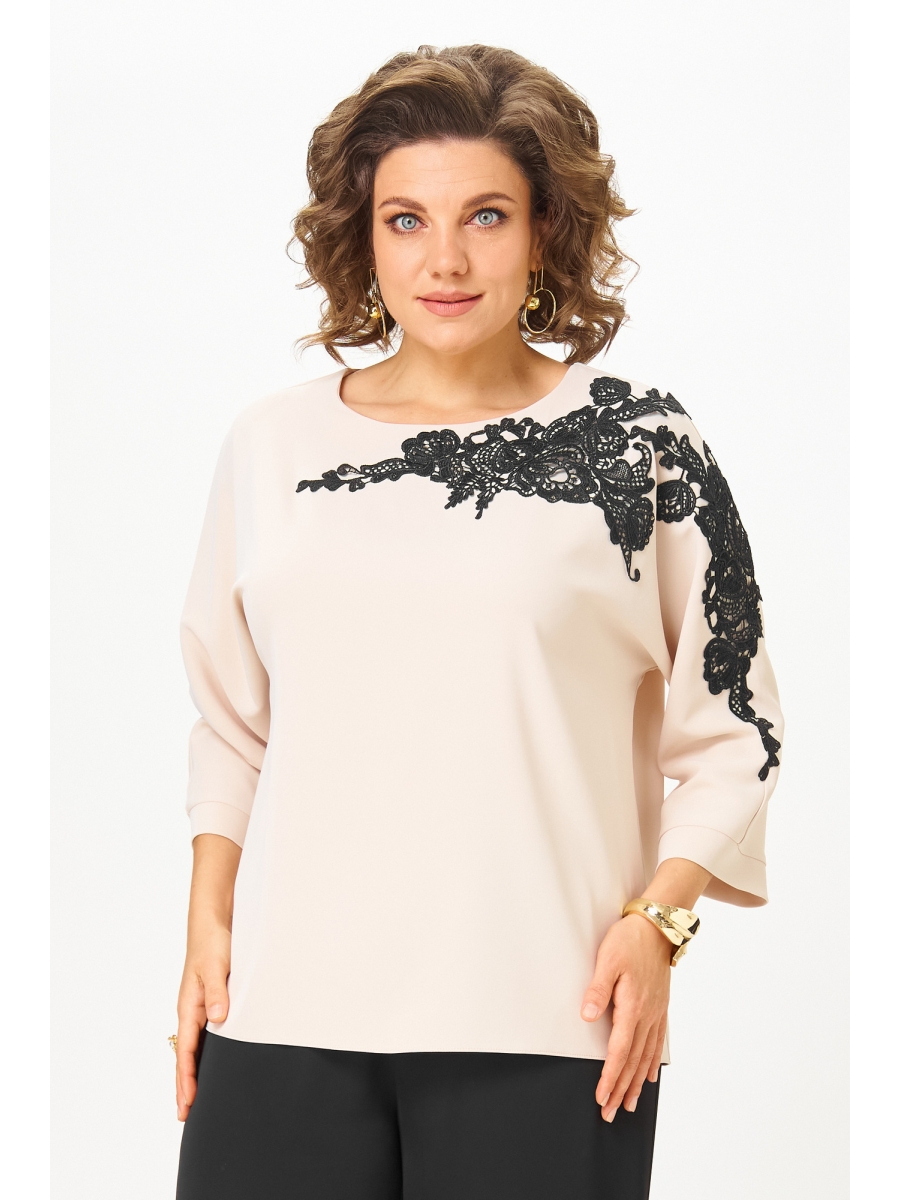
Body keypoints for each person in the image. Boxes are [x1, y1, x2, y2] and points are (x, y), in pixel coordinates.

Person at [172, 43, 783, 1200]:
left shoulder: (639, 441)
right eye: (405, 220)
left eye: (485, 216)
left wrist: (660, 926)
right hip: (280, 1009)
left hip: (548, 1015)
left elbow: (735, 723)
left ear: (546, 230)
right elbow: (233, 725)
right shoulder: (271, 445)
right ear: (363, 239)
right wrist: (207, 930)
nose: (443, 260)